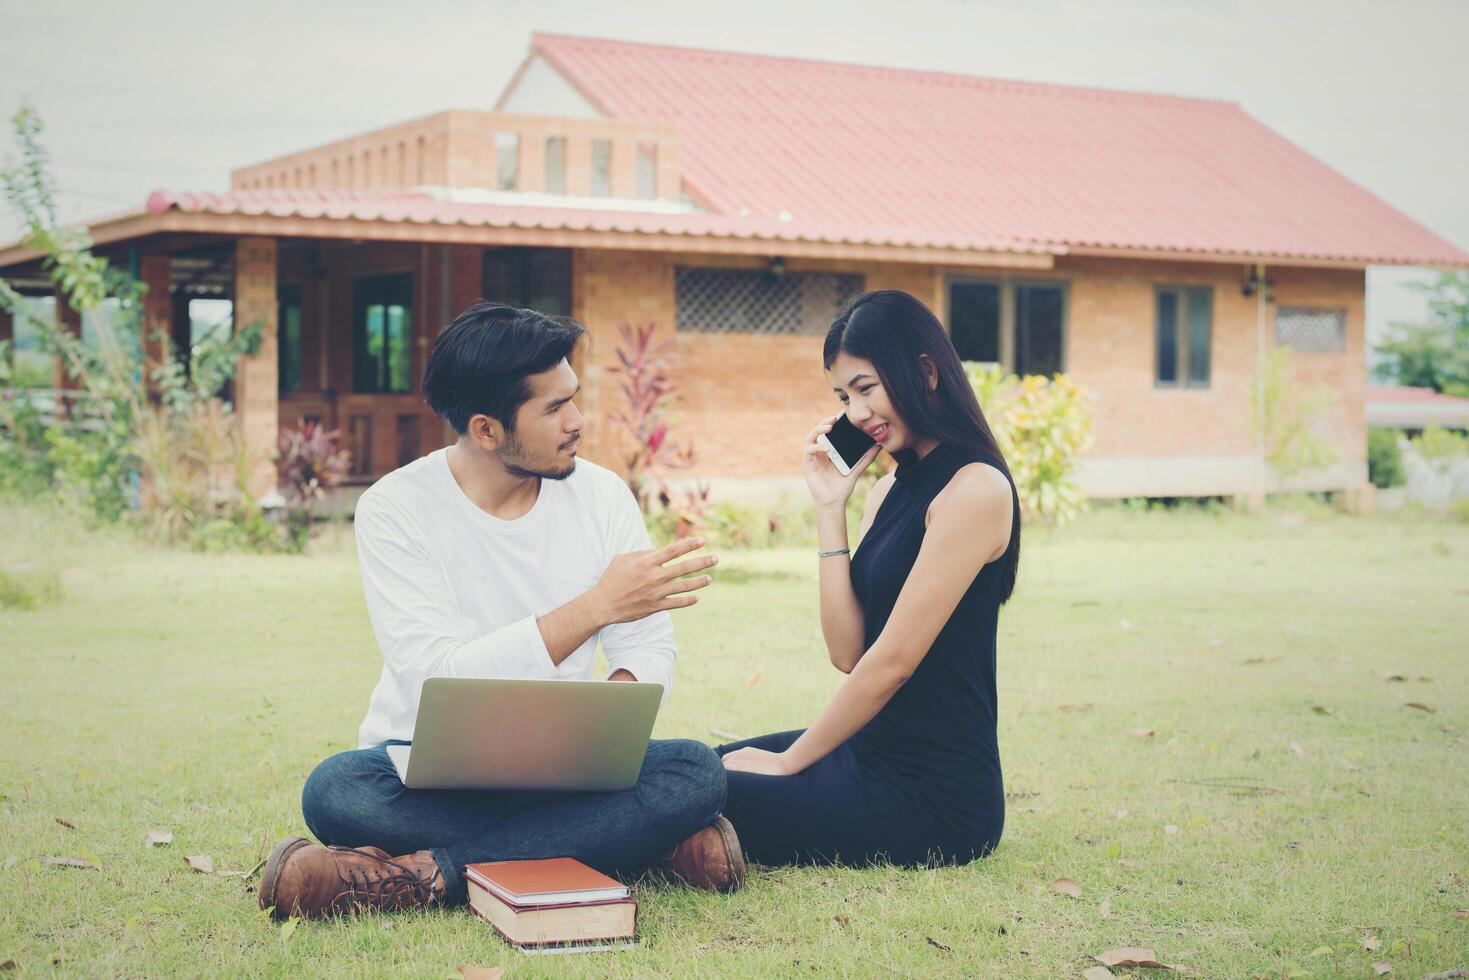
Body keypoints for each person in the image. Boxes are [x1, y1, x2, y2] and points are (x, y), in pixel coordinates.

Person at [258, 302, 744, 920]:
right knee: (335, 791)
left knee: (696, 771)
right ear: (486, 429)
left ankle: (430, 875)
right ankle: (617, 844)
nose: (578, 421)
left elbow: (645, 646)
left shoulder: (602, 496)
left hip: (574, 762)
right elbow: (439, 676)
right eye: (553, 408)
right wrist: (594, 608)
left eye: (572, 398)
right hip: (426, 767)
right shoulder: (396, 508)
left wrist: (611, 724)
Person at [717, 289, 1021, 868]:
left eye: (865, 389)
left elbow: (893, 662)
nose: (857, 413)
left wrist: (789, 763)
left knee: (697, 793)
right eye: (843, 397)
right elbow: (848, 651)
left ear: (925, 372)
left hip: (935, 799)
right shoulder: (886, 491)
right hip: (863, 753)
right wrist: (830, 507)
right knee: (693, 768)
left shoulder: (975, 489)